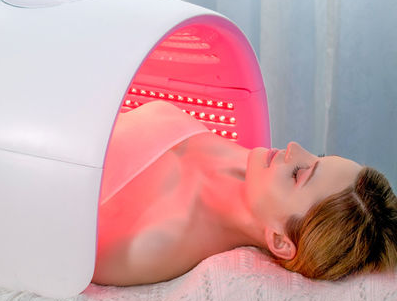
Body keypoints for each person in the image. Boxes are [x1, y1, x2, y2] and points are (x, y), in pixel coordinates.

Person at [92, 103, 397, 286]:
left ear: (280, 241)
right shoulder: (251, 167)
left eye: (298, 173)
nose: (293, 147)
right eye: (316, 156)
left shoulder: (153, 242)